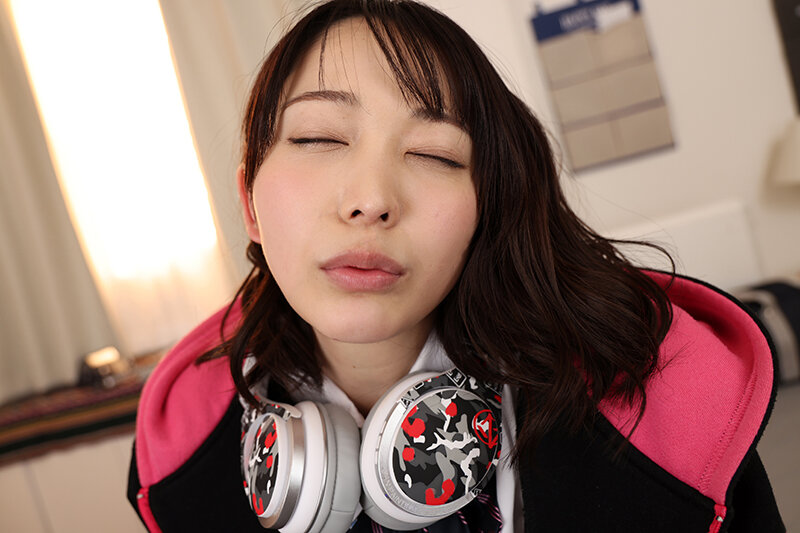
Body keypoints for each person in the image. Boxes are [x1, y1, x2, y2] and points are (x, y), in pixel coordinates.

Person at [127, 1, 785, 531]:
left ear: (485, 209)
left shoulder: (661, 425)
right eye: (318, 137)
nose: (371, 200)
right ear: (249, 203)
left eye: (435, 154)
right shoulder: (184, 469)